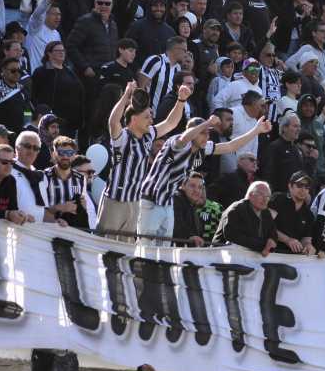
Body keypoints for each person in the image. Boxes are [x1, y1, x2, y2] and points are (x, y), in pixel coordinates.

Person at [138, 115, 272, 246]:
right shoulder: (177, 141)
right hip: (152, 199)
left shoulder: (202, 149)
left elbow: (231, 146)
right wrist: (207, 122)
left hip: (167, 202)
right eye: (202, 133)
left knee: (164, 246)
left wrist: (256, 131)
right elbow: (185, 138)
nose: (206, 136)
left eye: (208, 133)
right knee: (146, 243)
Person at [97, 82, 188, 239]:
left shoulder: (148, 135)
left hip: (134, 201)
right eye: (146, 116)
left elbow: (171, 123)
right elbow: (113, 122)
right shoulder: (123, 137)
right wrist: (126, 96)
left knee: (126, 250)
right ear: (133, 119)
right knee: (105, 245)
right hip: (115, 200)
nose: (151, 120)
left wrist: (181, 100)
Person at [213, 180, 279, 255]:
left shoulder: (266, 213)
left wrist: (271, 240)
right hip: (222, 256)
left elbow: (273, 233)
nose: (265, 200)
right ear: (251, 195)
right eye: (261, 195)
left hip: (251, 257)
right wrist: (262, 245)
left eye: (267, 196)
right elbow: (231, 235)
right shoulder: (236, 209)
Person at [44, 136, 96, 228]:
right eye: (61, 152)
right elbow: (38, 209)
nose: (65, 156)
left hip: (74, 231)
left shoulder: (80, 179)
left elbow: (83, 209)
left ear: (74, 155)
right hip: (50, 230)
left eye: (69, 153)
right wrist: (60, 207)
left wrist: (83, 207)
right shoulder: (44, 176)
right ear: (54, 154)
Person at [269, 171, 316, 255]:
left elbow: (306, 238)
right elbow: (266, 225)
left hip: (293, 259)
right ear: (290, 186)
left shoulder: (308, 214)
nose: (303, 189)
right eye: (299, 185)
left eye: (307, 187)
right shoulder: (278, 199)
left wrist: (308, 246)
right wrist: (287, 240)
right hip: (271, 252)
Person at [173, 172, 208, 247]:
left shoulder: (191, 203)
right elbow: (176, 226)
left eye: (200, 187)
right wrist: (189, 237)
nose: (197, 190)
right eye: (192, 186)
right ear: (182, 186)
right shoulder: (176, 199)